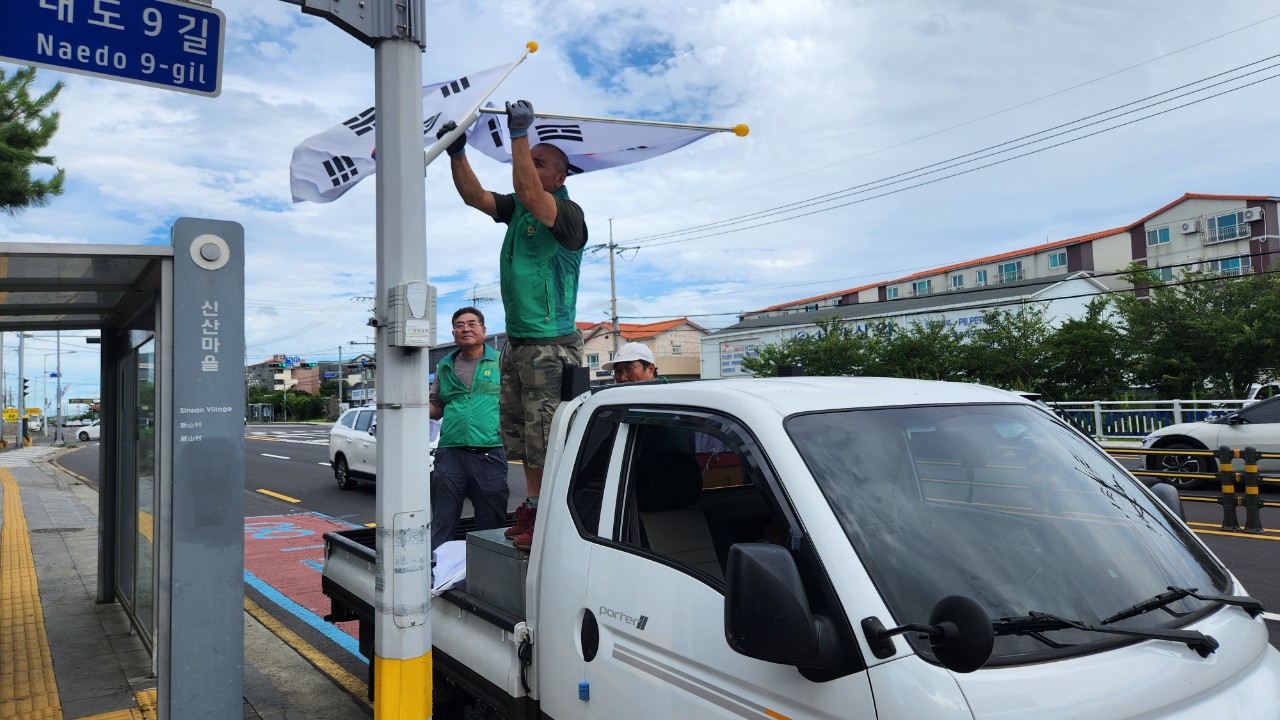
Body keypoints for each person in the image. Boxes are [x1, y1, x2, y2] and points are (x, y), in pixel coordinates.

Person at [437, 100, 588, 550]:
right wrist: (457, 153)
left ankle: (549, 515)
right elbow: (476, 197)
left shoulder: (567, 215)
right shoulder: (518, 210)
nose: (528, 165)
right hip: (519, 344)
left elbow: (531, 195)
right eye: (529, 159)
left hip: (550, 345)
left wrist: (520, 135)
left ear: (560, 177)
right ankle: (534, 508)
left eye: (541, 163)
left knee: (547, 438)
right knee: (523, 439)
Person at [429, 307, 508, 551]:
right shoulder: (444, 366)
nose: (466, 328)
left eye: (472, 324)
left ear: (483, 330)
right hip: (450, 454)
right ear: (454, 333)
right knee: (443, 519)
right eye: (459, 325)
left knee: (491, 522)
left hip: (490, 452)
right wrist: (410, 405)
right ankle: (436, 574)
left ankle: (490, 576)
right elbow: (436, 407)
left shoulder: (501, 362)